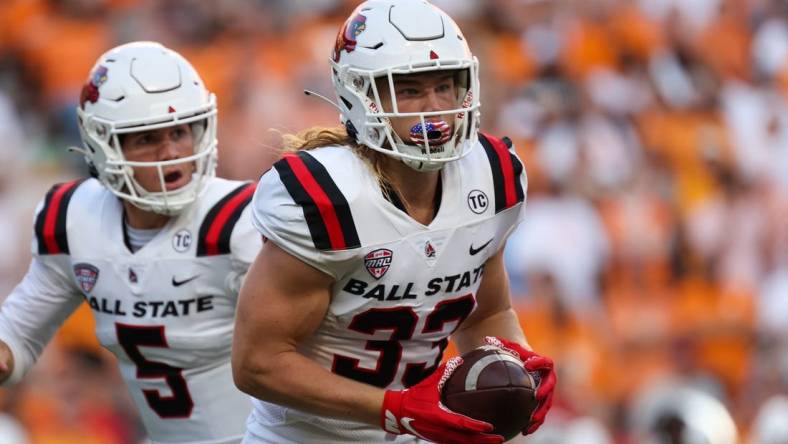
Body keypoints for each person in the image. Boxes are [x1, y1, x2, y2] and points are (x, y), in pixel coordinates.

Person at [232, 1, 556, 443]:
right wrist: (395, 409)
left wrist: (514, 364)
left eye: (445, 86)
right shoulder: (329, 199)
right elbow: (258, 364)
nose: (435, 109)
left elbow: (487, 314)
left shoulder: (491, 177)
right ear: (358, 95)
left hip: (419, 432)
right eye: (409, 91)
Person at [0, 41, 260, 444]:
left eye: (180, 131)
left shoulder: (241, 220)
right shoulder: (75, 218)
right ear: (104, 146)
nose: (171, 152)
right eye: (146, 139)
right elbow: (16, 334)